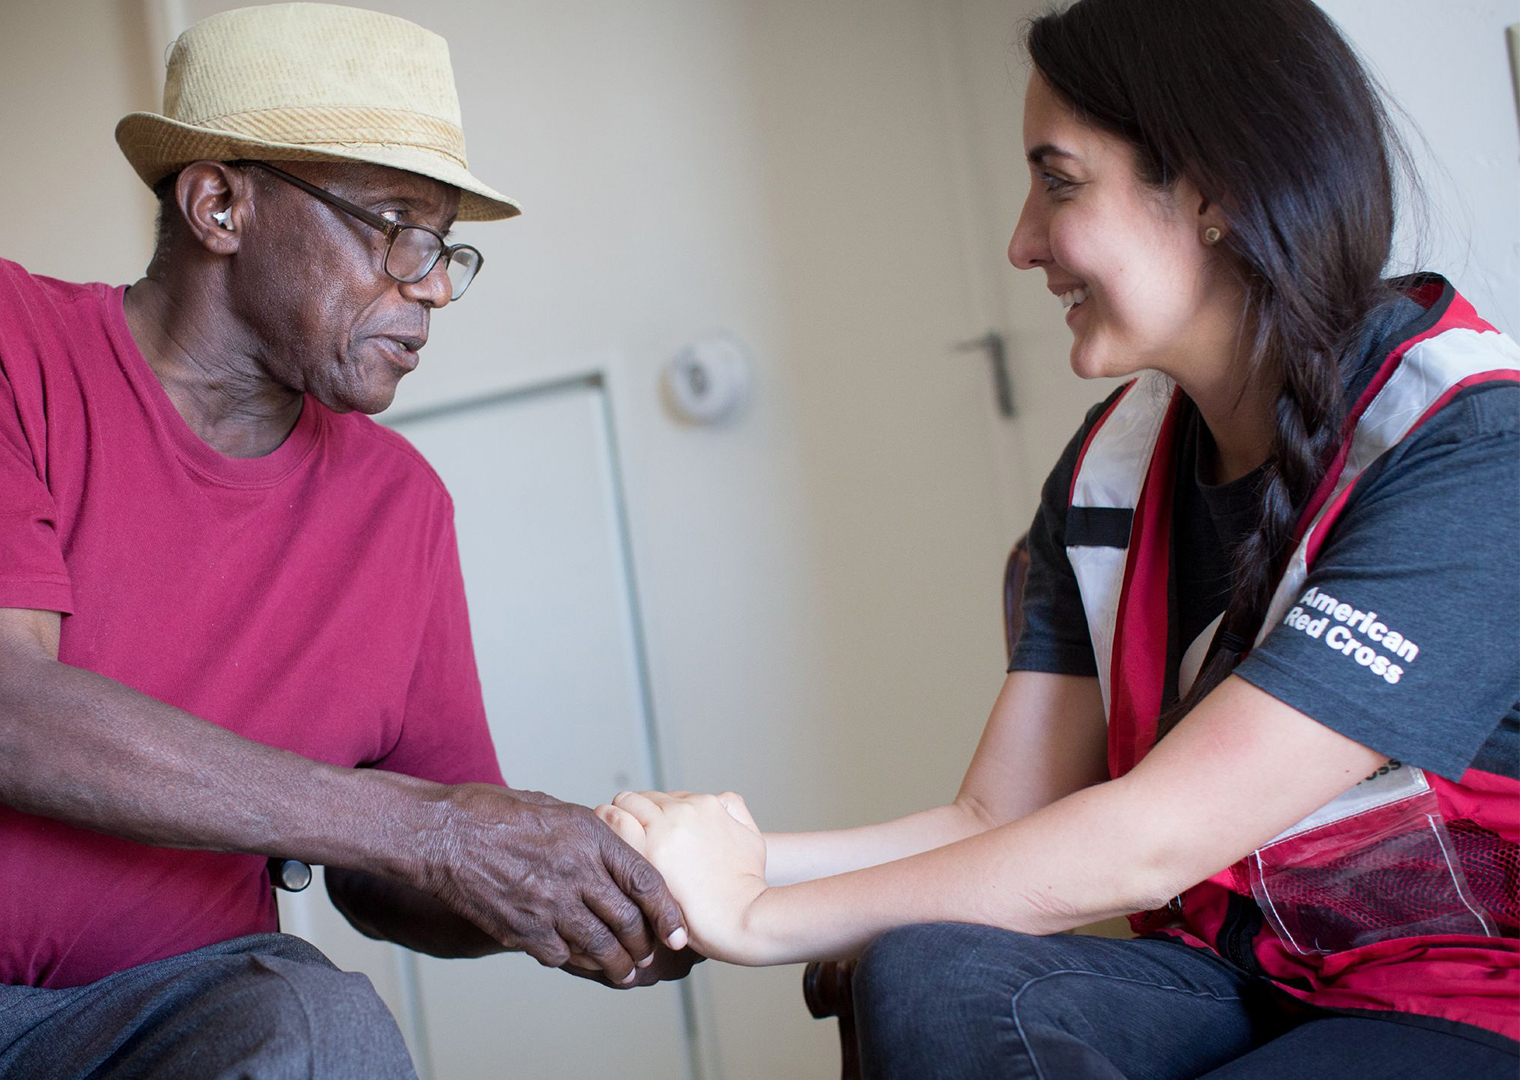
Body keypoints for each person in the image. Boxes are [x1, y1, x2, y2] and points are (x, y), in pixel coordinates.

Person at [0, 6, 691, 1079]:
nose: (434, 288)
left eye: (445, 246)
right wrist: (445, 833)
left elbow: (393, 879)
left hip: (158, 1011)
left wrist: (573, 901)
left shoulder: (403, 509)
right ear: (220, 204)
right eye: (396, 228)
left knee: (321, 1027)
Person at [601, 0, 1518, 1076]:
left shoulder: (1472, 447)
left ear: (1216, 190)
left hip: (1465, 997)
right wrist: (717, 869)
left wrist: (752, 920)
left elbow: (1149, 840)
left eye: (1060, 181)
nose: (1023, 241)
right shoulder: (1109, 468)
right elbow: (994, 815)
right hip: (1243, 976)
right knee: (929, 973)